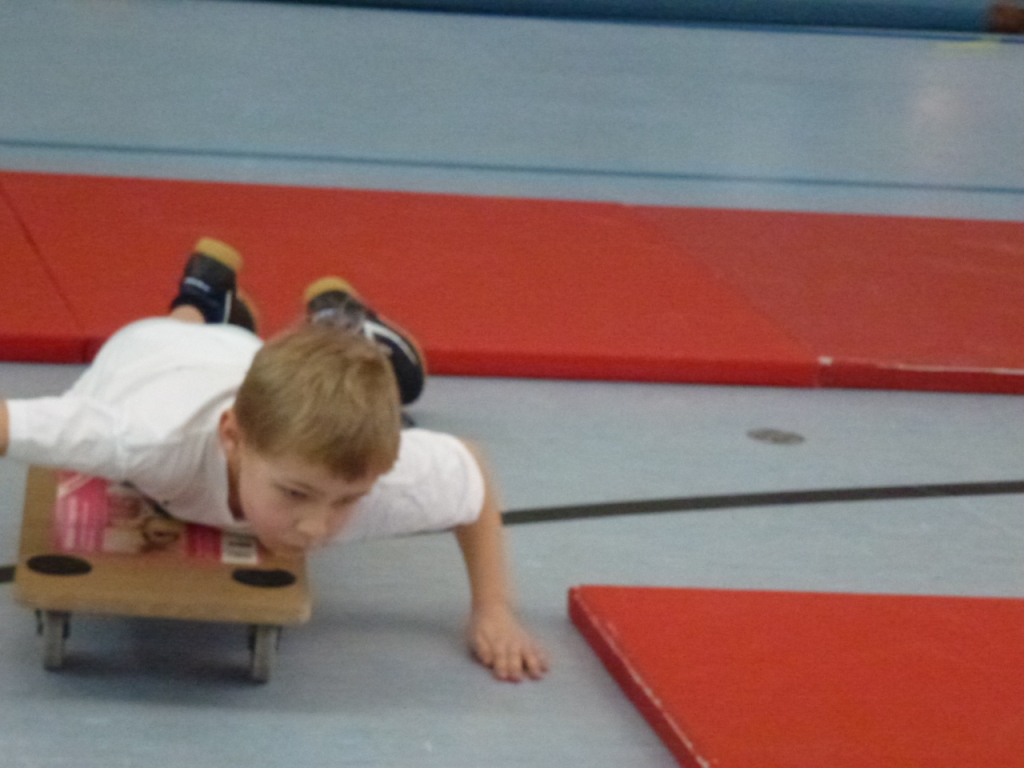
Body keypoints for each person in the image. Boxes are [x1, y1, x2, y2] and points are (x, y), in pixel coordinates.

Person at [0, 238, 548, 682]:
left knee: (286, 375)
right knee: (178, 327)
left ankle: (321, 326)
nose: (316, 527)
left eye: (346, 501)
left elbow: (470, 471)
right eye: (295, 494)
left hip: (247, 360)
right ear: (232, 438)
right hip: (148, 355)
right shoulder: (149, 441)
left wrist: (494, 609)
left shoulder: (367, 479)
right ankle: (204, 301)